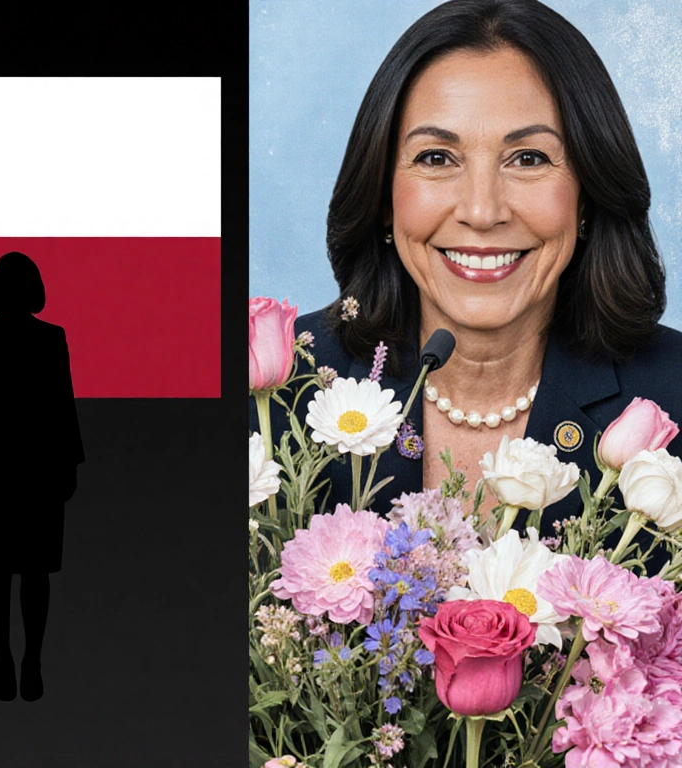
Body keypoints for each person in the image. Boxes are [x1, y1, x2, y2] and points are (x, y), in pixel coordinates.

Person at [251, 0, 682, 536]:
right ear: (385, 195)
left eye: (529, 158)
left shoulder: (674, 394)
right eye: (436, 158)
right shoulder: (271, 397)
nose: (482, 212)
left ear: (589, 194)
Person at [0, 252, 85, 702]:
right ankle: (28, 662)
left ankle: (6, 660)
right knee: (34, 574)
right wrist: (69, 465)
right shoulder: (51, 338)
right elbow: (63, 407)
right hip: (39, 470)